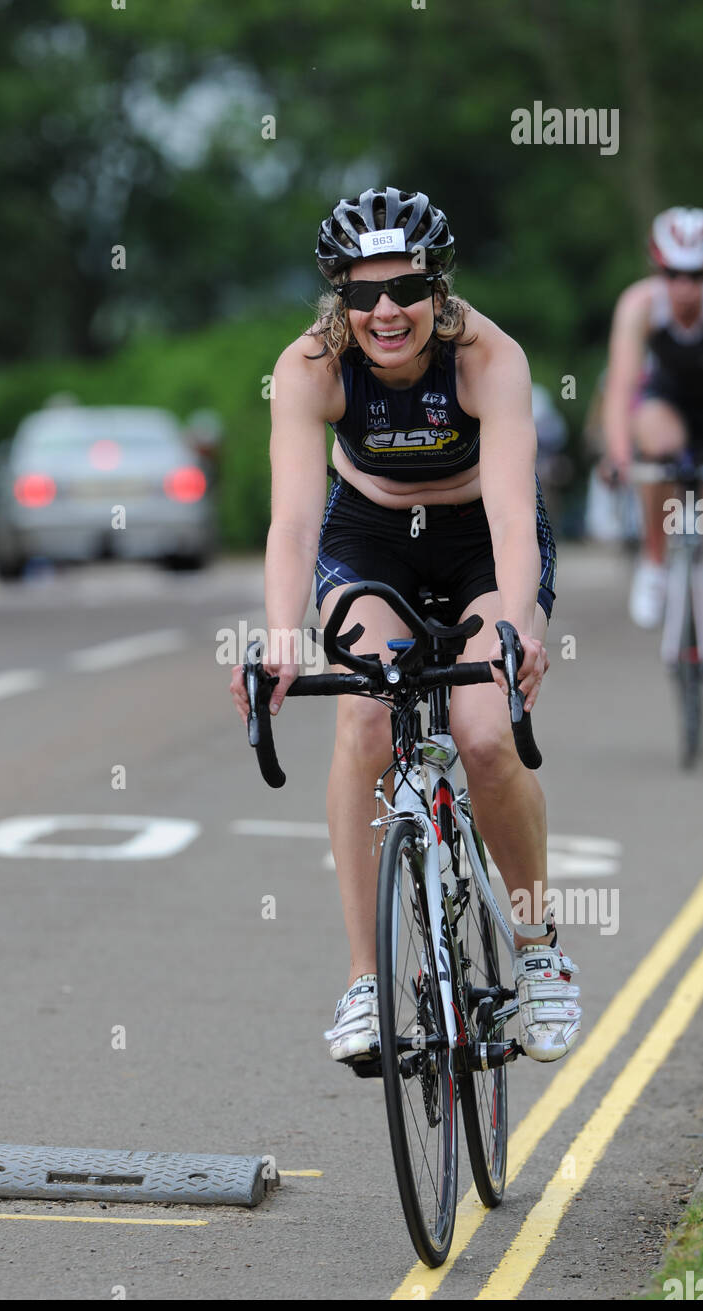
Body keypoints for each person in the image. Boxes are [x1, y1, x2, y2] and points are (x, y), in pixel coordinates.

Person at [230, 187, 581, 1065]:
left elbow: (510, 515)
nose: (384, 311)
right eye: (361, 293)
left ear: (438, 287)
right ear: (337, 297)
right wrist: (280, 635)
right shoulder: (310, 367)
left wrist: (520, 629)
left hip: (476, 539)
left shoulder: (486, 358)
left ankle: (539, 955)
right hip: (370, 535)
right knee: (365, 716)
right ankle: (363, 980)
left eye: (405, 290)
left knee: (484, 734)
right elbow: (295, 527)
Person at [602, 206, 703, 627]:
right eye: (673, 274)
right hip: (669, 406)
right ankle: (656, 562)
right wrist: (620, 458)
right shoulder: (640, 305)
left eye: (697, 276)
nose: (685, 288)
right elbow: (622, 386)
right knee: (654, 444)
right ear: (657, 268)